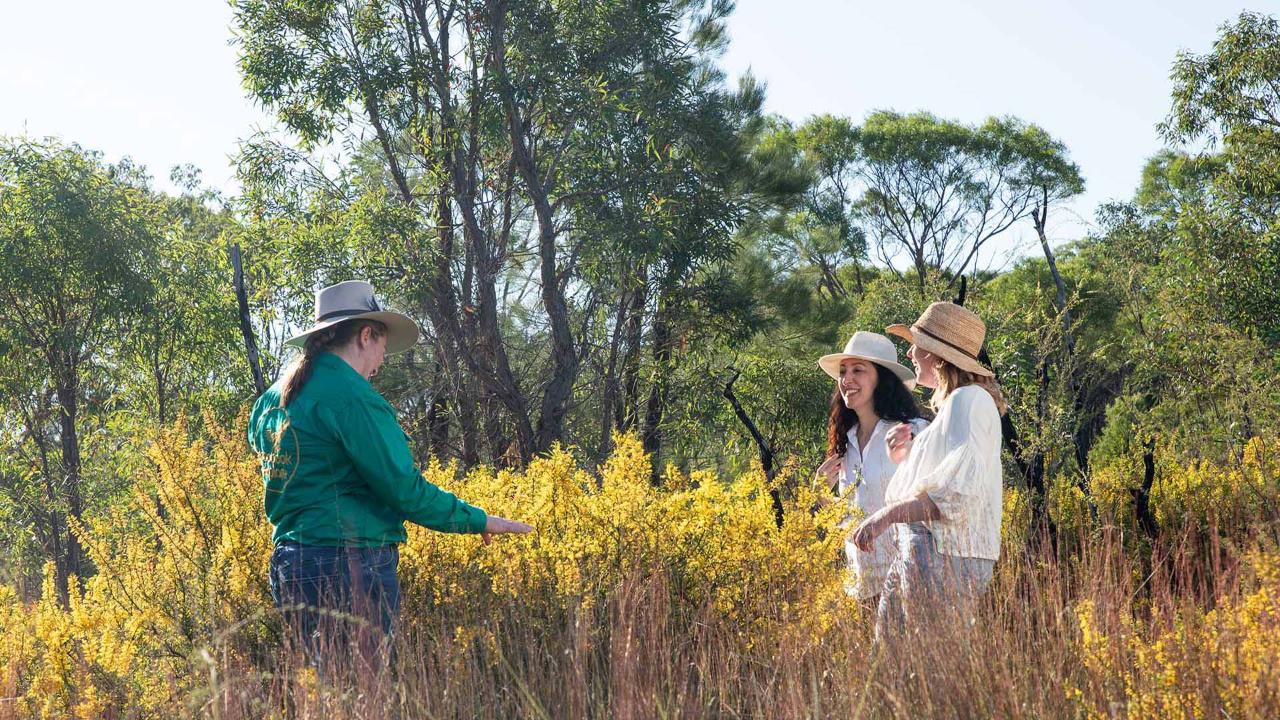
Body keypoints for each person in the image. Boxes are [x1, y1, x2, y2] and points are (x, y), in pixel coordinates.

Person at [248, 280, 532, 667]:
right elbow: (404, 490)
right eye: (383, 345)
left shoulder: (271, 399)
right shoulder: (354, 399)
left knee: (332, 689)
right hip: (348, 566)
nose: (383, 360)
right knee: (365, 689)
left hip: (291, 564)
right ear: (366, 335)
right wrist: (477, 519)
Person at [850, 302, 1006, 638]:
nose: (909, 353)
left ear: (937, 356)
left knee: (924, 657)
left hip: (943, 555)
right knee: (896, 654)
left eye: (916, 346)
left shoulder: (968, 400)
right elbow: (945, 482)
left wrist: (884, 517)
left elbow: (954, 496)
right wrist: (905, 458)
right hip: (930, 552)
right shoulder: (957, 404)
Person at [815, 332, 929, 604]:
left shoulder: (912, 432)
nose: (846, 379)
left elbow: (933, 504)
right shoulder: (846, 442)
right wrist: (821, 494)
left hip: (907, 584)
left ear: (882, 379)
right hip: (860, 590)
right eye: (843, 371)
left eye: (858, 370)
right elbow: (849, 521)